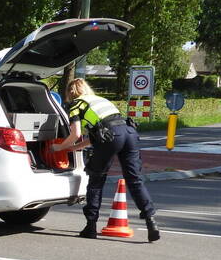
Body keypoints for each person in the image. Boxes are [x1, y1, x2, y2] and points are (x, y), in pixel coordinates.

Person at [51, 78, 159, 242]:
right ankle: (151, 220)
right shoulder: (101, 100)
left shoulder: (76, 104)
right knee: (135, 179)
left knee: (96, 179)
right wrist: (75, 147)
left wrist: (59, 147)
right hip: (129, 133)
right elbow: (101, 132)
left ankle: (91, 226)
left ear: (70, 93)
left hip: (111, 136)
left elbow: (76, 134)